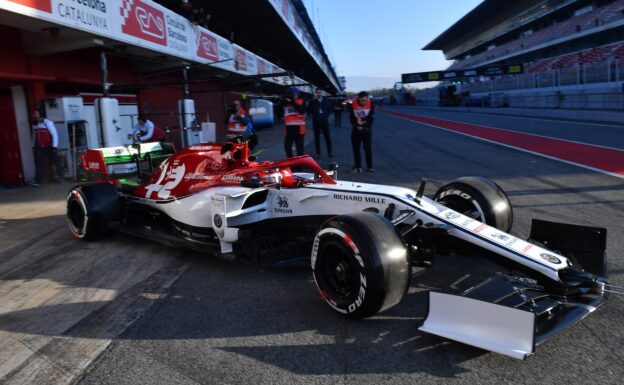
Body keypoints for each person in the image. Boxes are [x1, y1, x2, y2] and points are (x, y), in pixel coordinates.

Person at [31, 109, 63, 186]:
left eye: (36, 113)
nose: (34, 115)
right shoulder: (35, 124)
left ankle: (61, 177)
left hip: (49, 146)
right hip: (39, 147)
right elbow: (34, 136)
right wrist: (33, 145)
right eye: (34, 114)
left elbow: (54, 134)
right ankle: (37, 180)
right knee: (39, 163)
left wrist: (54, 146)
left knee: (56, 161)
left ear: (40, 114)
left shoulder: (47, 122)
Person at [349, 91, 375, 173]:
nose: (363, 102)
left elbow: (371, 118)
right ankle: (358, 166)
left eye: (365, 100)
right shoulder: (353, 104)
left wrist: (364, 127)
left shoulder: (371, 104)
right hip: (356, 130)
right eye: (361, 100)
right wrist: (357, 126)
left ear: (367, 99)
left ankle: (370, 166)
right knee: (356, 149)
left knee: (367, 149)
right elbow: (351, 118)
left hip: (366, 129)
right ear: (358, 99)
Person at [308, 88, 333, 157]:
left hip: (324, 121)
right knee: (317, 138)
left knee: (327, 137)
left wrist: (326, 116)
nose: (318, 94)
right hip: (316, 122)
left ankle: (330, 152)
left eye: (319, 92)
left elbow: (329, 109)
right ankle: (318, 153)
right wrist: (312, 100)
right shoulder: (313, 101)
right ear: (315, 93)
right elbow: (309, 110)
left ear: (321, 93)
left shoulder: (326, 100)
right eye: (317, 92)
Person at [282, 87, 307, 158]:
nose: (294, 95)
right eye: (292, 94)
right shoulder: (286, 102)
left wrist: (292, 101)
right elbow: (279, 112)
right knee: (287, 148)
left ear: (298, 94)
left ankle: (299, 166)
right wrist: (283, 100)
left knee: (300, 150)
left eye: (295, 94)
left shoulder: (301, 101)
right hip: (289, 129)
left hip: (299, 129)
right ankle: (291, 163)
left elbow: (302, 110)